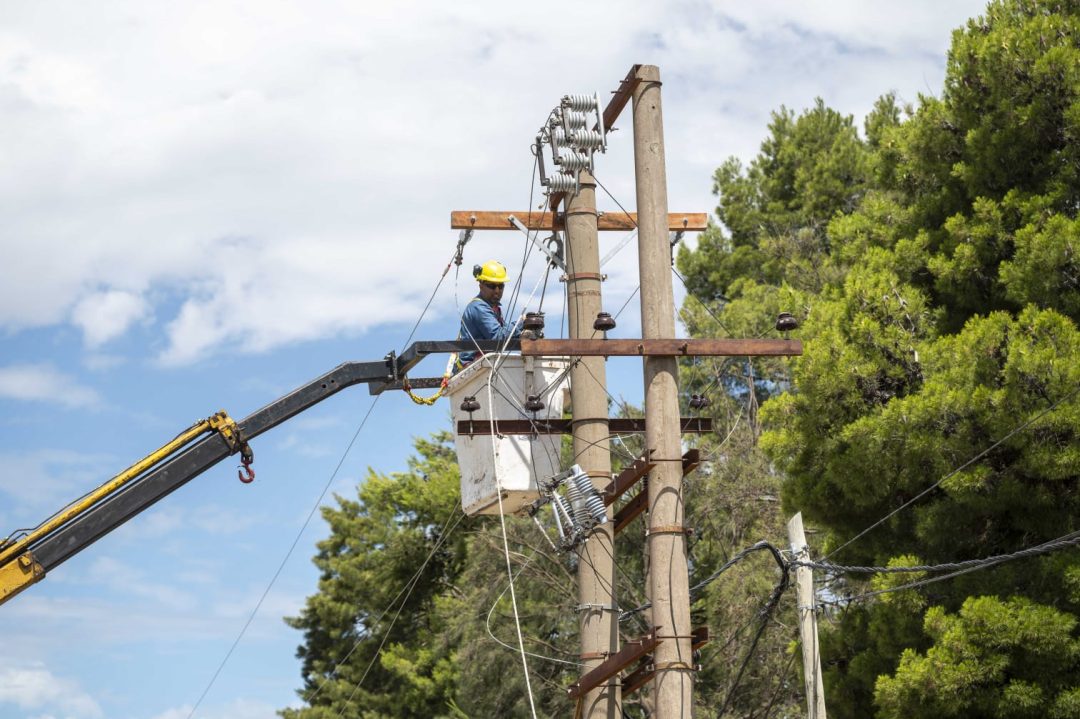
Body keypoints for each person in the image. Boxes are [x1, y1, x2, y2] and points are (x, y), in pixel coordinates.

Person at [457, 260, 522, 368]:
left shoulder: (494, 309)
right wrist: (521, 323)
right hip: (471, 367)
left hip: (484, 364)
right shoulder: (478, 308)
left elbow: (505, 332)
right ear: (481, 285)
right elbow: (497, 336)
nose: (497, 291)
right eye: (492, 286)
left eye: (500, 286)